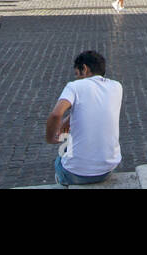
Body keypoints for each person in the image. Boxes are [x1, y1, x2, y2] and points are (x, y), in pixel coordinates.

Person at [44, 50, 123, 186]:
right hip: (108, 169)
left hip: (76, 173)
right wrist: (69, 120)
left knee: (60, 158)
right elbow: (95, 106)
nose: (76, 78)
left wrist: (50, 138)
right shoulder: (117, 86)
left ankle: (63, 181)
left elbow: (56, 114)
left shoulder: (74, 86)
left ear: (84, 69)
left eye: (77, 74)